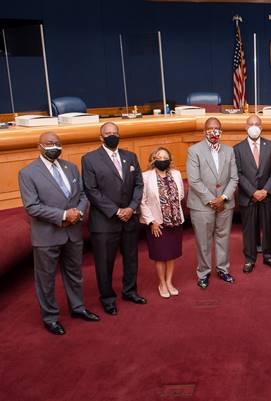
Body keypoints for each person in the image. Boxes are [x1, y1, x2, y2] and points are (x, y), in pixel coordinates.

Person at [19, 132, 99, 335]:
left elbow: (82, 195)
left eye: (57, 143)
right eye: (49, 143)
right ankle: (51, 317)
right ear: (39, 146)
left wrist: (78, 213)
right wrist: (63, 215)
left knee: (75, 274)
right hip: (47, 235)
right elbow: (32, 207)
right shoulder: (28, 173)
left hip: (73, 232)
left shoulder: (70, 167)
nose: (53, 146)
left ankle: (78, 308)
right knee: (45, 279)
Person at [82, 122, 146, 315]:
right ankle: (108, 298)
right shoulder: (90, 159)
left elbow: (138, 185)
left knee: (131, 259)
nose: (112, 136)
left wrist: (132, 207)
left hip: (129, 218)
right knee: (104, 263)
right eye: (108, 133)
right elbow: (91, 190)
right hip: (105, 221)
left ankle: (129, 291)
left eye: (115, 133)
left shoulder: (130, 156)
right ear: (101, 137)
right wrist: (117, 211)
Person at [186, 117, 239, 289]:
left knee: (223, 238)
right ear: (204, 131)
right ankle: (204, 272)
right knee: (203, 241)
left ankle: (223, 269)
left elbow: (234, 178)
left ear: (221, 131)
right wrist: (212, 200)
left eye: (217, 128)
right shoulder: (194, 151)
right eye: (210, 128)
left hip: (225, 204)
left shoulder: (229, 151)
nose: (214, 131)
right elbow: (194, 181)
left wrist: (223, 198)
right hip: (202, 205)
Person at [233, 115, 271, 273]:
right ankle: (249, 259)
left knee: (268, 227)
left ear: (261, 128)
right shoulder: (238, 148)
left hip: (267, 195)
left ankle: (268, 256)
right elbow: (237, 173)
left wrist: (265, 190)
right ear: (245, 127)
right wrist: (253, 192)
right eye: (251, 124)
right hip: (248, 197)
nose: (254, 126)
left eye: (257, 124)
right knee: (249, 229)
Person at [140, 147, 185, 299]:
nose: (162, 159)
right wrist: (152, 221)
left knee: (171, 254)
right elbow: (142, 201)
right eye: (159, 156)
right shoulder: (146, 176)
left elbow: (181, 195)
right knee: (160, 255)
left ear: (170, 159)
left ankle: (169, 281)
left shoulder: (177, 174)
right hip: (157, 223)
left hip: (175, 222)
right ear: (153, 159)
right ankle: (162, 283)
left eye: (165, 156)